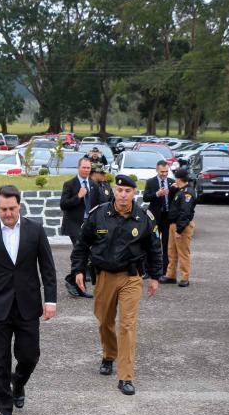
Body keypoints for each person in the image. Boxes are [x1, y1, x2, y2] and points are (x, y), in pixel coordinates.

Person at [0, 185, 57, 415]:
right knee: (0, 359)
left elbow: (47, 268)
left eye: (11, 208)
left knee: (30, 356)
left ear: (20, 205)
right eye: (3, 209)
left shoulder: (35, 231)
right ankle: (4, 409)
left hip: (28, 305)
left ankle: (18, 383)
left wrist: (50, 300)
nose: (7, 213)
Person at [72, 174, 162, 394]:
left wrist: (156, 277)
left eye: (128, 191)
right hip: (104, 276)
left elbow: (154, 248)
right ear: (114, 191)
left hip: (131, 278)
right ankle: (109, 354)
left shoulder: (144, 217)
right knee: (104, 321)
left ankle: (125, 377)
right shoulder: (98, 215)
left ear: (134, 193)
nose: (123, 195)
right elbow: (82, 244)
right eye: (120, 191)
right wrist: (78, 270)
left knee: (128, 325)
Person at [60, 157, 97, 298]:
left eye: (88, 168)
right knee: (80, 252)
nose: (86, 170)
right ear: (78, 167)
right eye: (84, 167)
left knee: (83, 254)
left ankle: (75, 282)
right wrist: (78, 196)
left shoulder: (93, 184)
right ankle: (73, 282)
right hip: (74, 225)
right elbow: (63, 204)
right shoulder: (69, 184)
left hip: (88, 225)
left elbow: (99, 203)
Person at [159, 169, 196, 287]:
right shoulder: (179, 190)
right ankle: (171, 275)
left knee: (183, 252)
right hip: (173, 224)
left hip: (181, 226)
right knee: (172, 251)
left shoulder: (187, 193)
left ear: (179, 179)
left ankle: (185, 277)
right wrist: (173, 190)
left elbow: (185, 212)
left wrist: (180, 229)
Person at [142, 160, 174, 278]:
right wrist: (157, 194)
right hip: (154, 217)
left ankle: (164, 270)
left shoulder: (172, 182)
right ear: (157, 169)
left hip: (167, 218)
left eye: (166, 171)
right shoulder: (151, 182)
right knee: (151, 244)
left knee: (166, 245)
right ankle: (147, 270)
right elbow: (145, 198)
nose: (164, 174)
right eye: (162, 172)